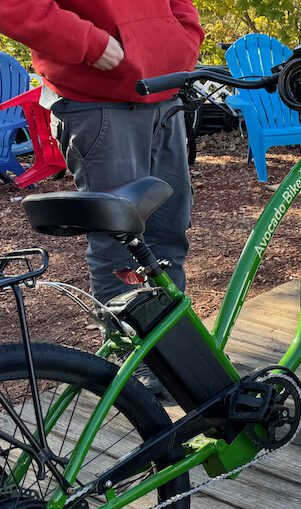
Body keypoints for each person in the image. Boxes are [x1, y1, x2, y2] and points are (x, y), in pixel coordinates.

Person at [0, 1, 203, 306]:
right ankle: (129, 349)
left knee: (169, 232)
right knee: (118, 242)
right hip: (97, 100)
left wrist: (182, 40)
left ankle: (172, 344)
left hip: (164, 94)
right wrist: (90, 43)